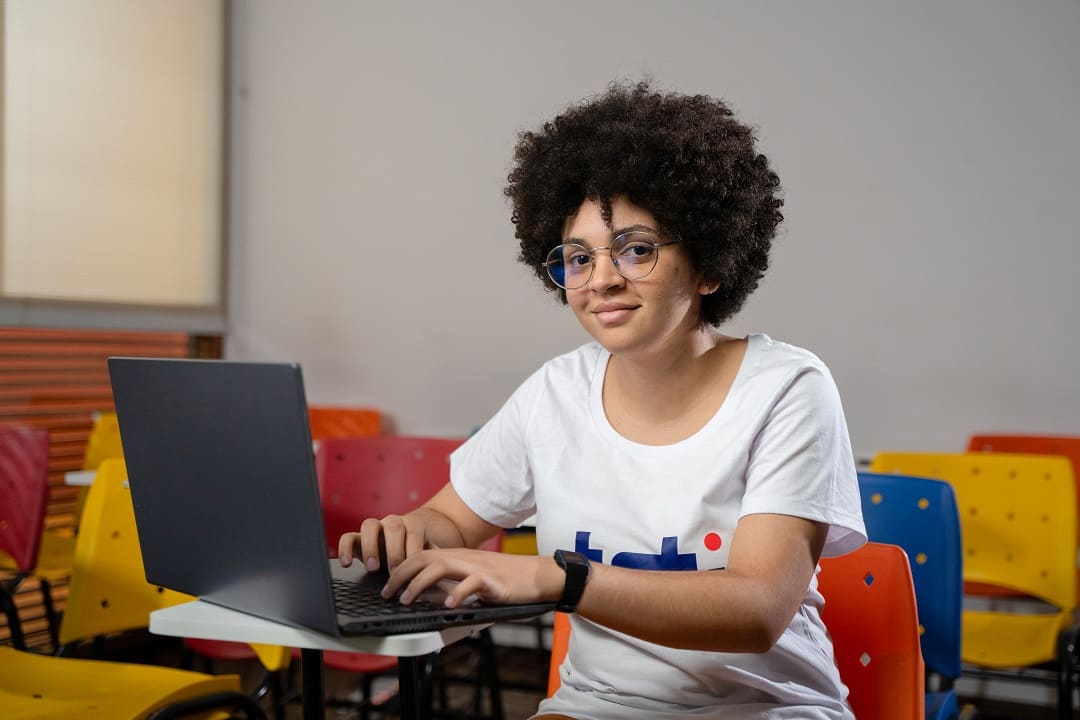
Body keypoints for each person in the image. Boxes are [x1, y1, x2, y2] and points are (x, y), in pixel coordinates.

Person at [339, 80, 866, 719]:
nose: (603, 280)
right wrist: (407, 534)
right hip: (595, 707)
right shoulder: (554, 394)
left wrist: (559, 579)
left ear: (709, 264)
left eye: (636, 249)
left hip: (766, 710)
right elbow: (451, 522)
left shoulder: (787, 389)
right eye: (579, 258)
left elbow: (756, 611)